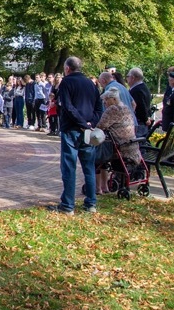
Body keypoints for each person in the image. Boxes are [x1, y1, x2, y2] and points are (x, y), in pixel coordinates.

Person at [51, 56, 102, 215]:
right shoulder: (90, 83)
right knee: (89, 168)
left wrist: (82, 123)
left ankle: (67, 205)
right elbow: (99, 108)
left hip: (72, 130)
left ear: (67, 68)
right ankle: (91, 203)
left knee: (69, 167)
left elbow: (67, 106)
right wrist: (90, 123)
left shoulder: (66, 82)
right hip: (87, 131)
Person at [95, 87, 139, 195]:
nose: (104, 103)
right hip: (132, 146)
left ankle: (97, 188)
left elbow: (100, 126)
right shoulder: (125, 107)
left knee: (96, 158)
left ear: (113, 99)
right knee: (103, 157)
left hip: (120, 148)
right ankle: (104, 187)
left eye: (106, 100)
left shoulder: (112, 109)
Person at [126, 67, 152, 137]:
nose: (126, 79)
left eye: (127, 76)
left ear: (133, 78)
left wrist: (146, 118)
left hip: (139, 122)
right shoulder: (143, 87)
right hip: (143, 121)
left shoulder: (136, 90)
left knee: (138, 144)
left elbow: (141, 106)